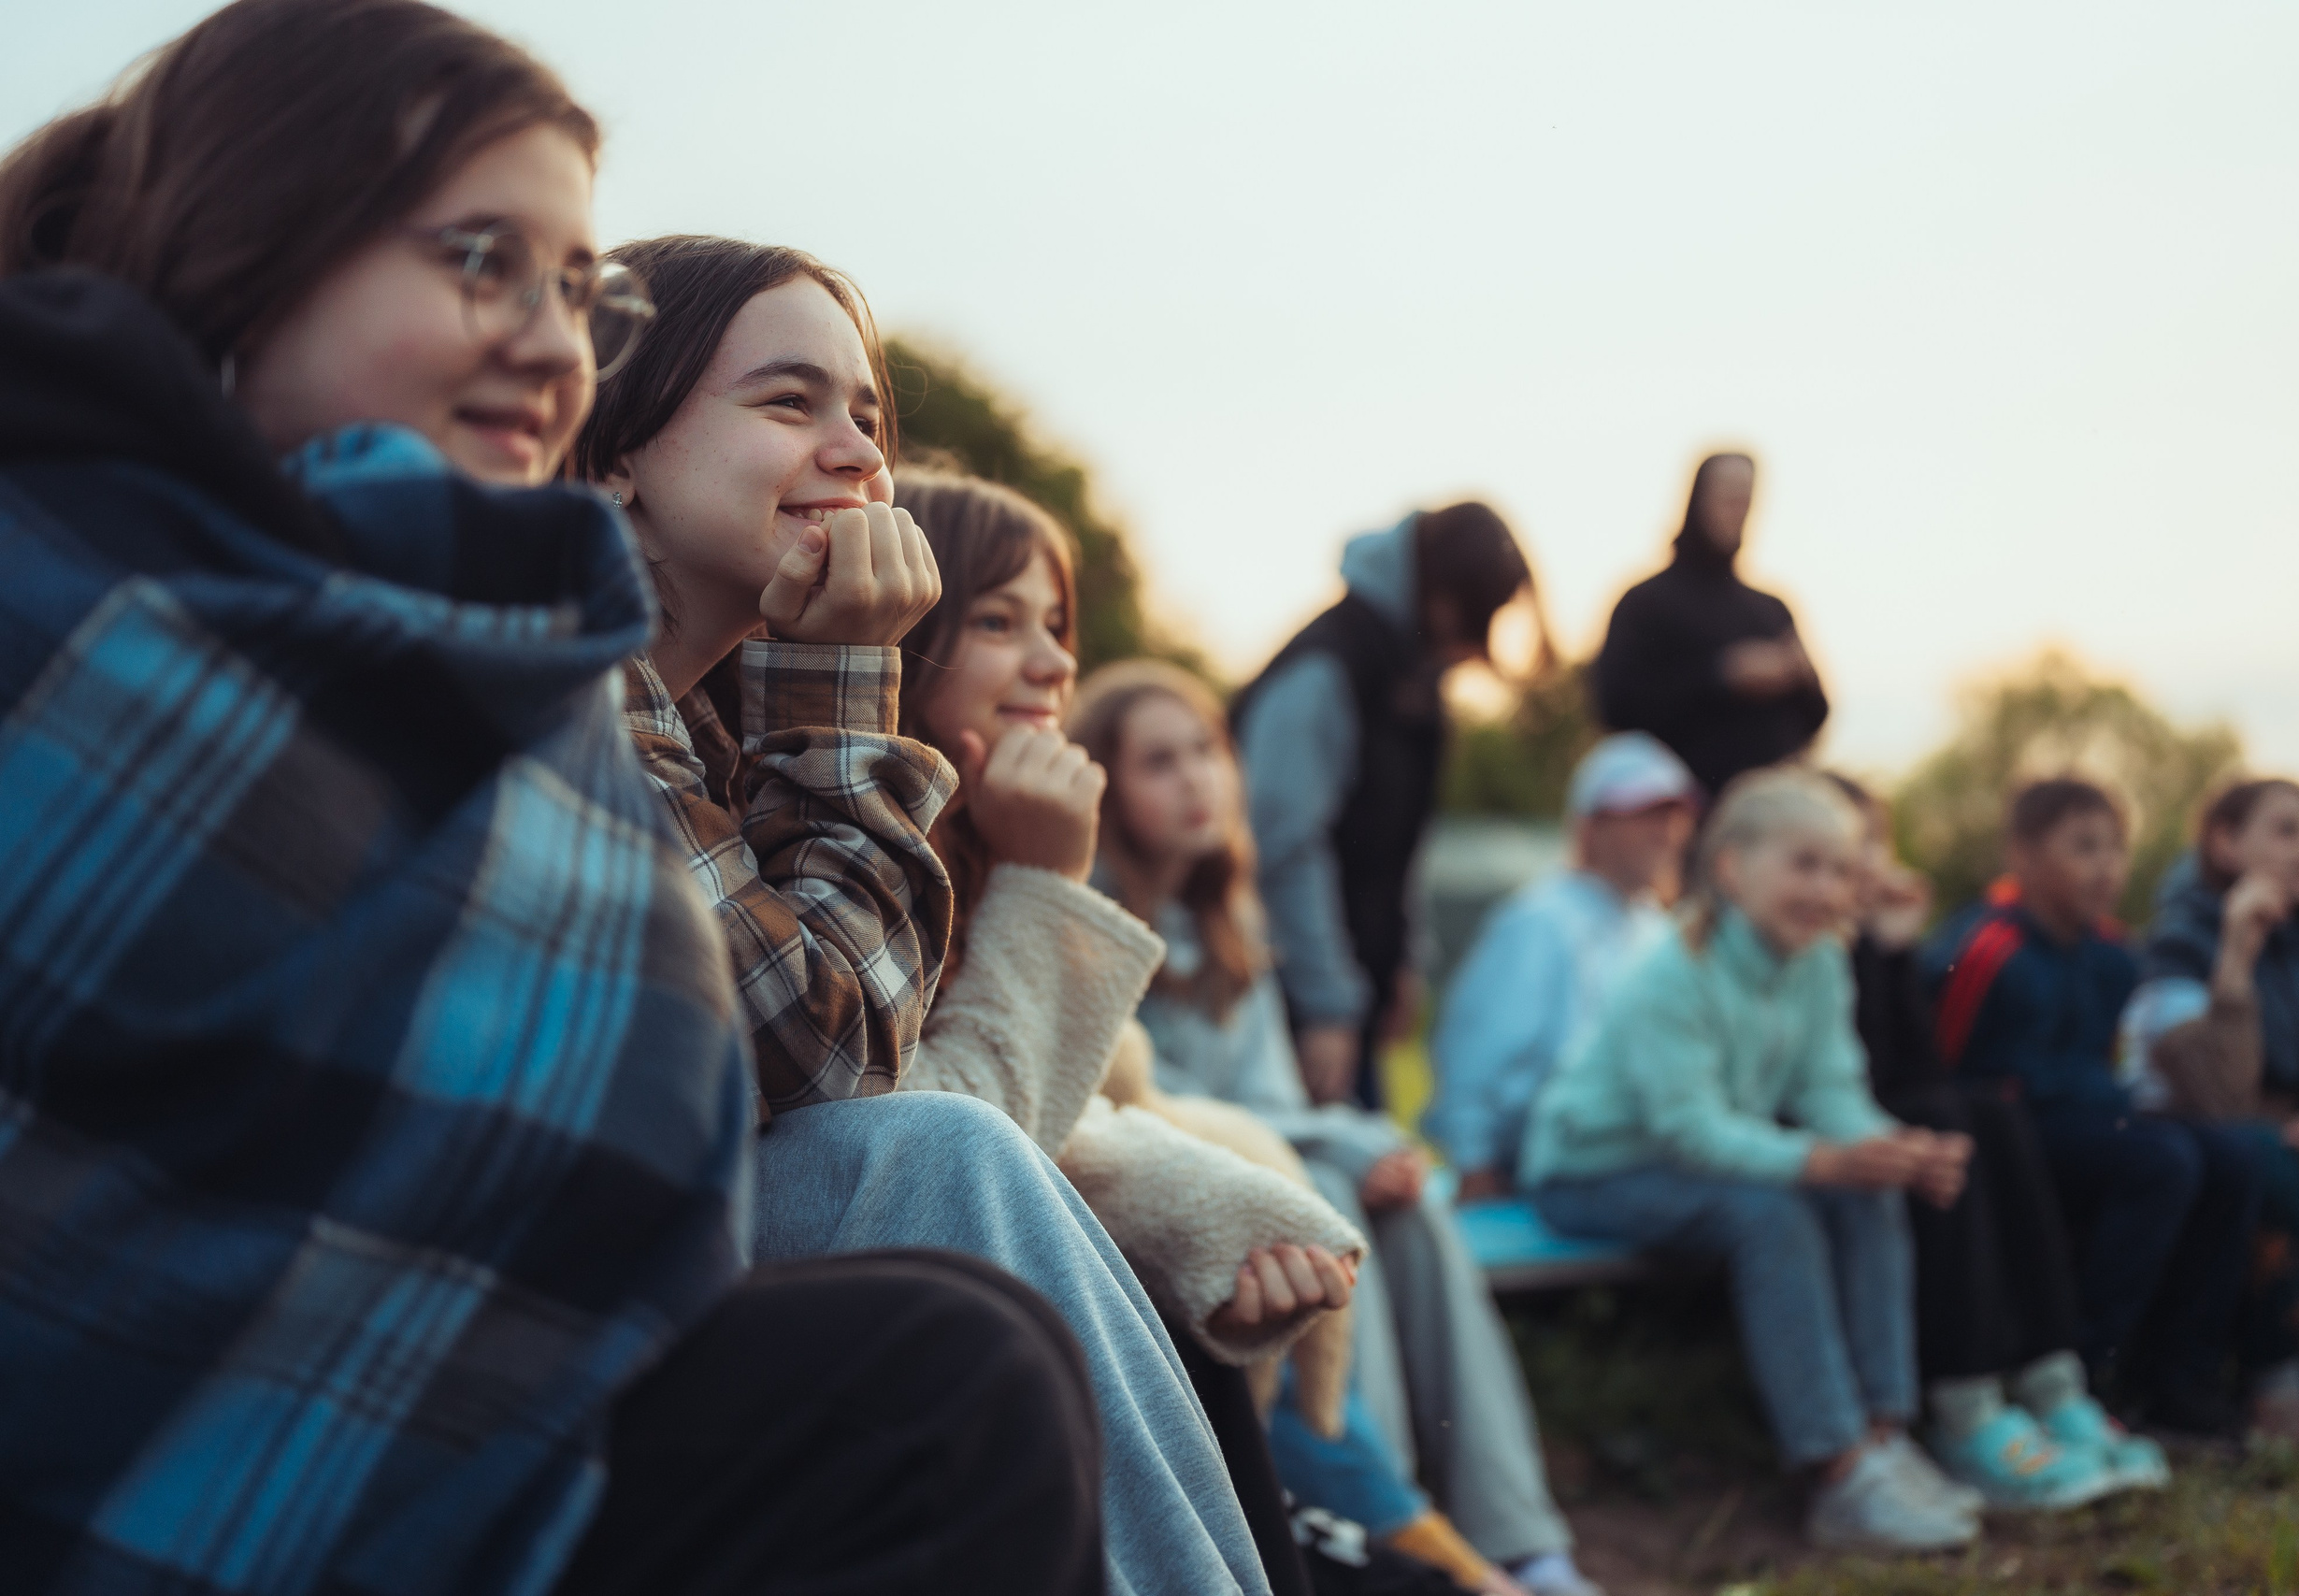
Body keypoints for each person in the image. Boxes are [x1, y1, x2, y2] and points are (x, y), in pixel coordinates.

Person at [0, 6, 1102, 1594]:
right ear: (250, 236)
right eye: (479, 261)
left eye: (579, 291)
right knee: (947, 1320)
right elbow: (800, 1050)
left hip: (433, 1429)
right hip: (145, 1466)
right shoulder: (93, 585)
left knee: (948, 1362)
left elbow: (745, 1079)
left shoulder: (501, 640)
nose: (546, 340)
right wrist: (847, 698)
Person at [576, 237, 1350, 1594]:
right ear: (617, 442)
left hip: (669, 1239)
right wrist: (841, 688)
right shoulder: (589, 686)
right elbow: (839, 1073)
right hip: (563, 1275)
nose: (859, 458)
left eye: (867, 417)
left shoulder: (695, 725)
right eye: (787, 402)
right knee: (953, 1157)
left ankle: (1456, 1546)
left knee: (1204, 1208)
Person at [892, 467, 1373, 1595]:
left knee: (1311, 1232)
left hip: (979, 1291)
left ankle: (1404, 1522)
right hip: (905, 1320)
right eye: (1001, 621)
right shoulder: (865, 863)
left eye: (1057, 625)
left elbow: (1074, 1123)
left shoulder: (981, 855)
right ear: (897, 639)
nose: (1058, 663)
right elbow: (961, 1158)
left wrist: (1216, 1217)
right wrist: (1050, 879)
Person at [1072, 659, 1593, 1596]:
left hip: (1259, 1153)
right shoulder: (1087, 923)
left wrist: (1358, 1140)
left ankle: (1517, 1536)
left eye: (1207, 751)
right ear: (1103, 786)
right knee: (1336, 1201)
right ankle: (1383, 1523)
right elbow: (1169, 1112)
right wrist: (1346, 1147)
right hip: (1163, 1186)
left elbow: (1270, 1105)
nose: (1197, 778)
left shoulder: (1227, 919)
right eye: (1159, 761)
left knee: (1414, 1204)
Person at [1522, 769, 1980, 1554]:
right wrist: (1826, 1160)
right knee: (1771, 1212)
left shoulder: (1817, 963)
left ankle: (1880, 1434)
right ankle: (1834, 1470)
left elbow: (1831, 1090)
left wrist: (1887, 1149)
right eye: (1804, 864)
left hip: (1693, 1159)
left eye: (1840, 869)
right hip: (1592, 1170)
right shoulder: (1673, 974)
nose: (1827, 887)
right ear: (1732, 868)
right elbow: (1690, 1132)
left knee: (1866, 1191)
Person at [1826, 776, 2162, 1507]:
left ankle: (2051, 1378)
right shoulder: (1804, 947)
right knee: (1950, 1126)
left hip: (1874, 1113)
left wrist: (1887, 952)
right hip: (1815, 1136)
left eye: (1875, 845)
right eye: (1849, 849)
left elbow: (1915, 1065)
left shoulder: (1864, 942)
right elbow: (1863, 1077)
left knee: (1987, 1118)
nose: (1869, 866)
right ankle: (1965, 1405)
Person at [1931, 778, 2262, 1438]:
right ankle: (2080, 1366)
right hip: (2011, 1134)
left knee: (2232, 1155)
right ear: (2022, 855)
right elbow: (1941, 1066)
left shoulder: (2113, 954)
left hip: (2090, 1114)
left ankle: (2177, 1372)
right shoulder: (1987, 948)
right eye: (2084, 847)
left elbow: (2109, 1064)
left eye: (2116, 848)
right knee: (2160, 1161)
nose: (2107, 866)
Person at [1235, 503, 1538, 1108]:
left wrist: (1403, 958)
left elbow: (1401, 841)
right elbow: (1284, 846)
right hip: (1281, 1000)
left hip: (1352, 991)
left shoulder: (1414, 681)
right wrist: (1326, 1005)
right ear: (1445, 595)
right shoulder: (1328, 669)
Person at [2121, 778, 2299, 1442]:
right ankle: (2275, 1385)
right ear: (2223, 841)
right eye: (2285, 830)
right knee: (2259, 1156)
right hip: (2233, 1142)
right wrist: (2237, 952)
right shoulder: (2179, 947)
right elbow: (2221, 1095)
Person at [1427, 734, 1697, 1199]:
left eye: (1673, 816)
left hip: (1634, 1152)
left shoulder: (1659, 929)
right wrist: (1473, 1161)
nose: (1665, 832)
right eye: (1644, 815)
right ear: (1591, 826)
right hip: (1548, 1161)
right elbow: (1475, 1056)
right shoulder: (1539, 921)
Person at [1588, 452, 1827, 798]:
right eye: (1728, 494)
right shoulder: (1645, 603)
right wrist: (1721, 676)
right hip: (1677, 814)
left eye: (1746, 497)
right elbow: (1616, 706)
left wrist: (1799, 675)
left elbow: (1816, 715)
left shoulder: (1772, 610)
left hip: (1769, 817)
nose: (1738, 508)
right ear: (1699, 497)